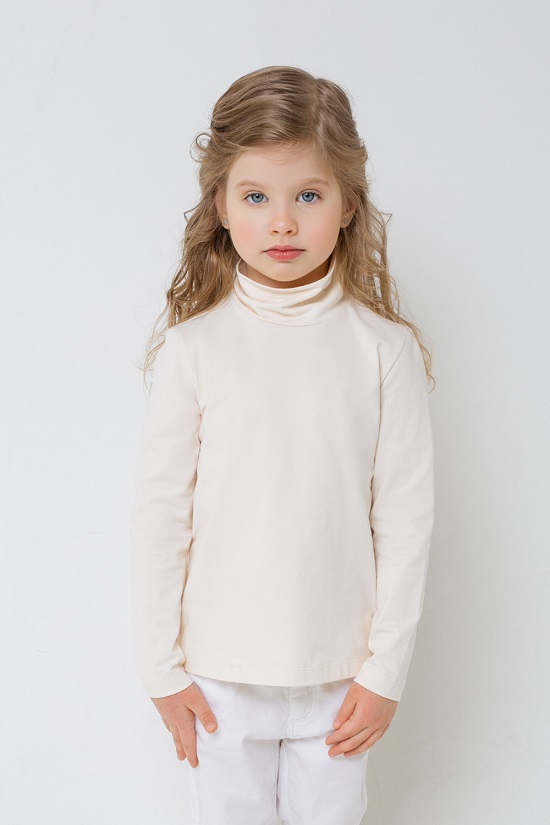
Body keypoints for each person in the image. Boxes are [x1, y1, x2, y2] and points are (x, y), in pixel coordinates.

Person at [129, 65, 435, 825]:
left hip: (341, 679)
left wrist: (384, 672)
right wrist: (161, 669)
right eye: (257, 197)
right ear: (221, 206)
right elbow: (162, 516)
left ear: (348, 203)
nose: (283, 223)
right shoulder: (194, 350)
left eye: (308, 195)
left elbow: (405, 522)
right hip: (217, 679)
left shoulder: (383, 350)